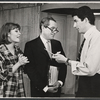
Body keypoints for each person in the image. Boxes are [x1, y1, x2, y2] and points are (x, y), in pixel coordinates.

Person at [52, 6, 100, 97]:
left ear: (85, 20)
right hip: (86, 85)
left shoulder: (97, 37)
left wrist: (66, 61)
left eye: (76, 21)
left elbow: (89, 69)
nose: (74, 26)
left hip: (92, 87)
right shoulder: (89, 38)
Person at [24, 17, 67, 97]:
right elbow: (30, 69)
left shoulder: (57, 44)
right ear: (43, 27)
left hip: (56, 90)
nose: (55, 32)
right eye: (52, 28)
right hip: (39, 90)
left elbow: (63, 64)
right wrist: (45, 88)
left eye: (56, 29)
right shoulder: (30, 45)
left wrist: (60, 82)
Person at [0, 23, 29, 97]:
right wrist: (19, 63)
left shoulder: (18, 49)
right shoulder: (1, 51)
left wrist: (24, 63)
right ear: (8, 33)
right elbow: (2, 76)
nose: (20, 33)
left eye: (19, 31)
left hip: (19, 90)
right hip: (5, 92)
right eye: (16, 31)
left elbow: (22, 70)